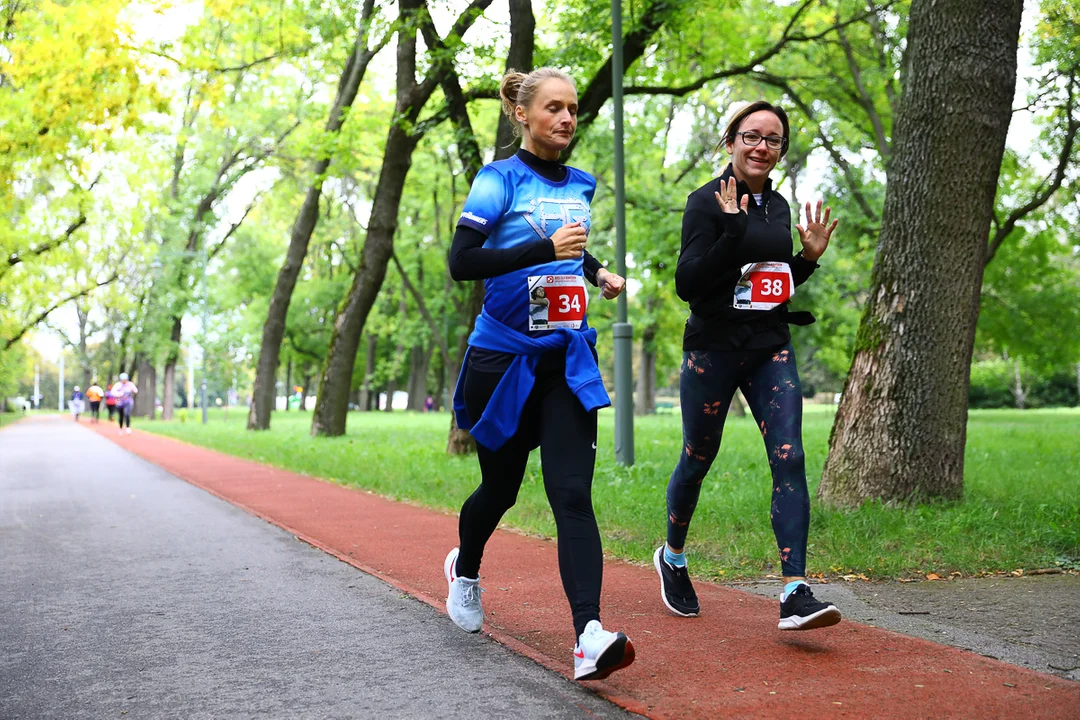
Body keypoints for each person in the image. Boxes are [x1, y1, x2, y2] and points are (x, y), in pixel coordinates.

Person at [445, 67, 632, 682]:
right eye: (554, 108)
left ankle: (588, 635)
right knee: (499, 491)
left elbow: (566, 245)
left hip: (563, 360)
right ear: (522, 114)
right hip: (500, 364)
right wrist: (544, 254)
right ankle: (465, 569)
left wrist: (594, 271)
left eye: (573, 108)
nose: (567, 118)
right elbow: (463, 261)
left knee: (572, 494)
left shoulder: (580, 183)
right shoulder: (497, 180)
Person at [655, 100, 841, 631]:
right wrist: (731, 231)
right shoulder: (704, 203)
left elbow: (767, 286)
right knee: (698, 456)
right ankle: (672, 556)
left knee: (790, 457)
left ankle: (794, 591)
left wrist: (805, 259)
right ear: (730, 142)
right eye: (751, 136)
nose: (762, 146)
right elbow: (688, 285)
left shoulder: (779, 206)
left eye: (773, 139)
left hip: (769, 346)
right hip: (712, 349)